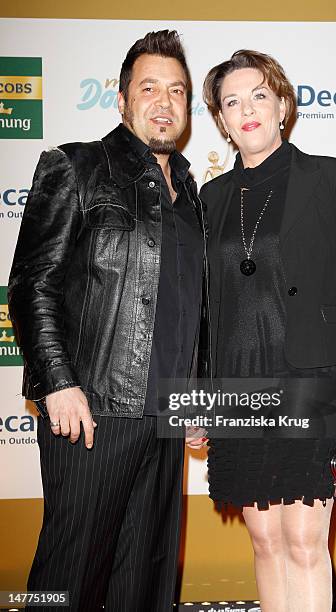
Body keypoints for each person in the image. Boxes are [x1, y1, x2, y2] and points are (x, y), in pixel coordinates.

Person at [8, 30, 209, 612]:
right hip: (92, 413)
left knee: (144, 586)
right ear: (121, 100)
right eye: (149, 88)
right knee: (64, 578)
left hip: (165, 422)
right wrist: (57, 384)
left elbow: (187, 306)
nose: (165, 102)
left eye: (177, 91)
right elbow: (31, 283)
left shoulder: (190, 194)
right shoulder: (76, 166)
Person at [197, 50, 336, 612]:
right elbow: (203, 313)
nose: (247, 109)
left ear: (282, 105)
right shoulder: (210, 200)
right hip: (238, 384)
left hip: (308, 379)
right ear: (222, 121)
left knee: (304, 540)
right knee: (264, 540)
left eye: (258, 95)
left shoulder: (330, 177)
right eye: (232, 101)